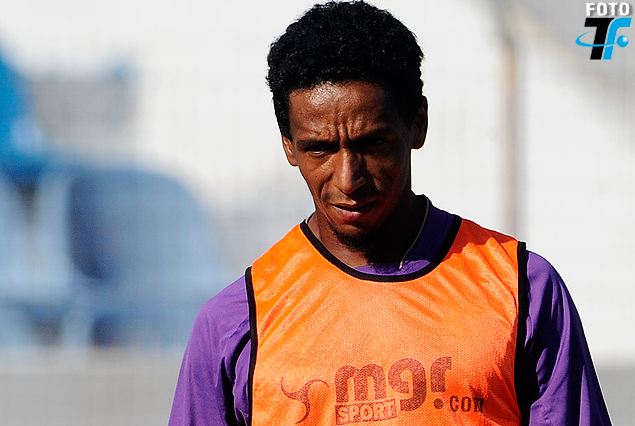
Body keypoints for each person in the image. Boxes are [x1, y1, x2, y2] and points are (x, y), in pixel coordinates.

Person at [168, 2, 612, 425]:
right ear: (289, 146)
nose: (348, 179)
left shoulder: (522, 288)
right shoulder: (236, 322)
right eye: (319, 149)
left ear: (417, 124)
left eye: (372, 143)